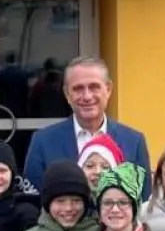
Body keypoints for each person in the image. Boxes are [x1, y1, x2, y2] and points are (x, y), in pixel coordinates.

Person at [23, 56, 150, 195]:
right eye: (78, 88)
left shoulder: (134, 141)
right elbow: (32, 203)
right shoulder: (43, 142)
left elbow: (144, 203)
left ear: (108, 89)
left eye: (94, 87)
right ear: (67, 94)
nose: (87, 96)